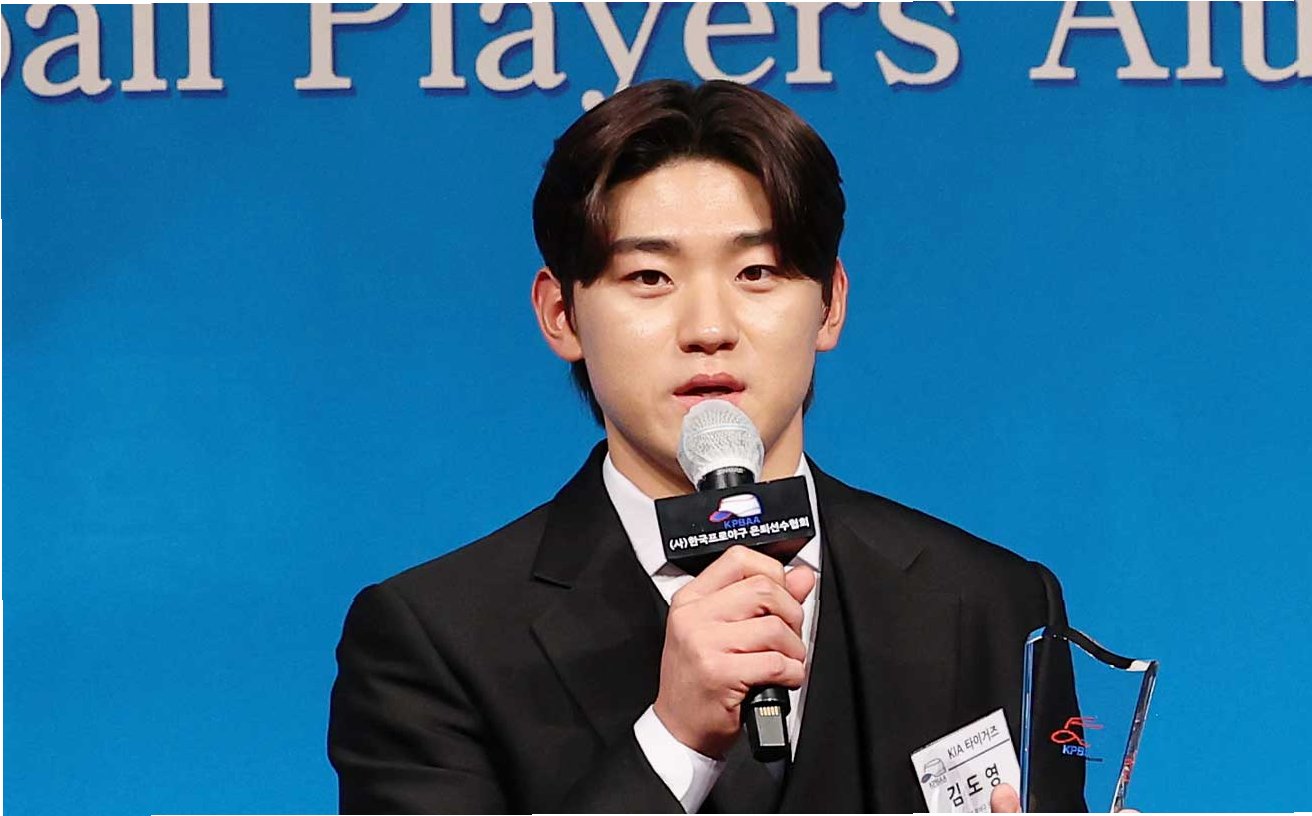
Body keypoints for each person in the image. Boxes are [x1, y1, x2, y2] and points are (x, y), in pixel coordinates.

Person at [328, 78, 1075, 814]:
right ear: (561, 315)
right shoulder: (430, 642)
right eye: (650, 276)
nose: (709, 328)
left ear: (830, 303)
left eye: (757, 272)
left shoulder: (997, 605)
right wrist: (674, 742)